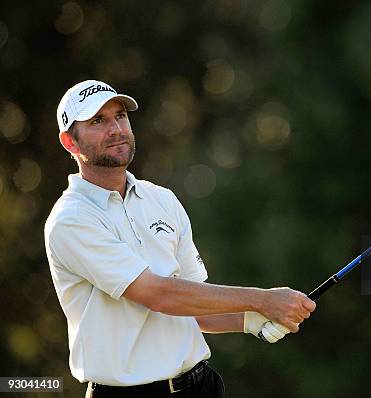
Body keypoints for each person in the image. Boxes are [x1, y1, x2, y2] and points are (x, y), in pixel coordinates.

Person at [44, 80, 316, 398]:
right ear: (69, 142)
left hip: (200, 387)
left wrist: (254, 320)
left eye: (120, 116)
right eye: (97, 121)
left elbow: (194, 306)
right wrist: (263, 299)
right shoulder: (72, 220)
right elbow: (159, 295)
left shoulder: (161, 199)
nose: (116, 128)